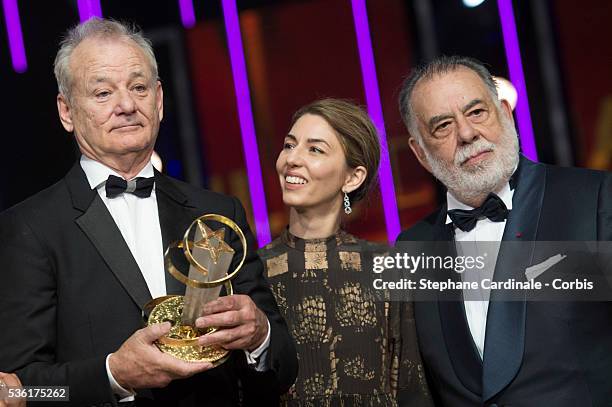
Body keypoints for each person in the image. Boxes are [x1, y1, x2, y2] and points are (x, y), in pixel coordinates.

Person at [0, 18, 297, 406]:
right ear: (67, 111)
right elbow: (24, 390)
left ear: (158, 100)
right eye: (103, 93)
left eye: (138, 87)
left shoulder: (217, 213)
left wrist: (260, 337)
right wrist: (113, 375)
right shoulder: (29, 228)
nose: (126, 105)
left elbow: (284, 367)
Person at [396, 55, 612, 406]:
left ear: (505, 113)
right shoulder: (412, 248)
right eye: (443, 126)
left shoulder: (594, 200)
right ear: (420, 153)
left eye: (477, 112)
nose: (467, 133)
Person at [258, 99, 433, 406]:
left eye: (315, 149)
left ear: (352, 178)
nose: (292, 159)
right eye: (289, 145)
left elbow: (411, 386)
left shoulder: (388, 267)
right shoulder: (253, 271)